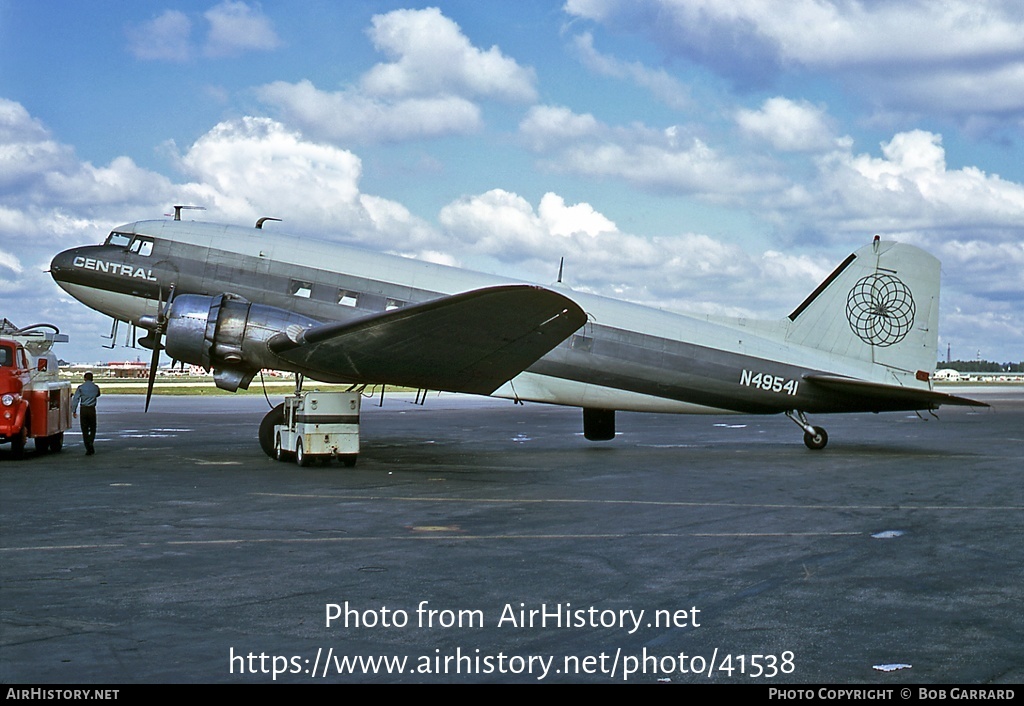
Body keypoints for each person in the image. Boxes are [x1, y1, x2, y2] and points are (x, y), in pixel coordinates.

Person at [72, 372, 101, 455]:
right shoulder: (95, 387)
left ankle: (88, 447)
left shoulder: (81, 387)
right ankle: (91, 441)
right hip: (92, 409)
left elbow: (75, 399)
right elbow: (98, 394)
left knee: (84, 429)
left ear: (85, 378)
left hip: (83, 409)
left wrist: (74, 410)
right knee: (93, 428)